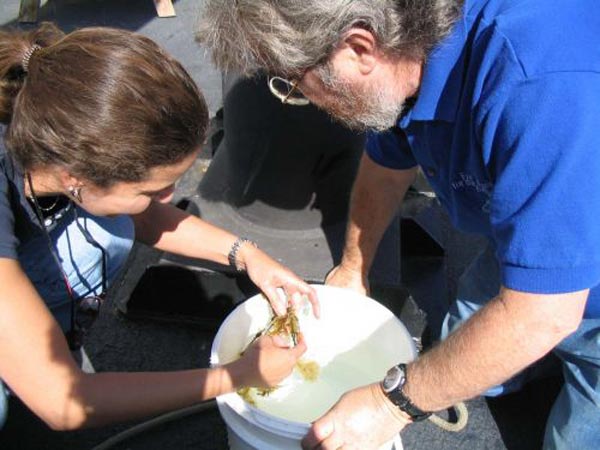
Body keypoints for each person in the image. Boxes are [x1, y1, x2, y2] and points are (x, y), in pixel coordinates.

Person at [197, 1, 600, 449]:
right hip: (542, 240)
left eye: (296, 83)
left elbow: (543, 315)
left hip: (569, 292)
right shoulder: (406, 52)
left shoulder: (543, 87)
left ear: (358, 49)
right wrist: (354, 267)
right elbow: (385, 168)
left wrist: (390, 405)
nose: (304, 100)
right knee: (463, 359)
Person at [0, 22, 319, 431]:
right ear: (72, 177)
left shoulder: (59, 107)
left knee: (110, 225)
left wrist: (249, 255)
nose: (171, 197)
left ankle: (43, 345)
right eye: (152, 189)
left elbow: (146, 216)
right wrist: (239, 375)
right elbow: (64, 403)